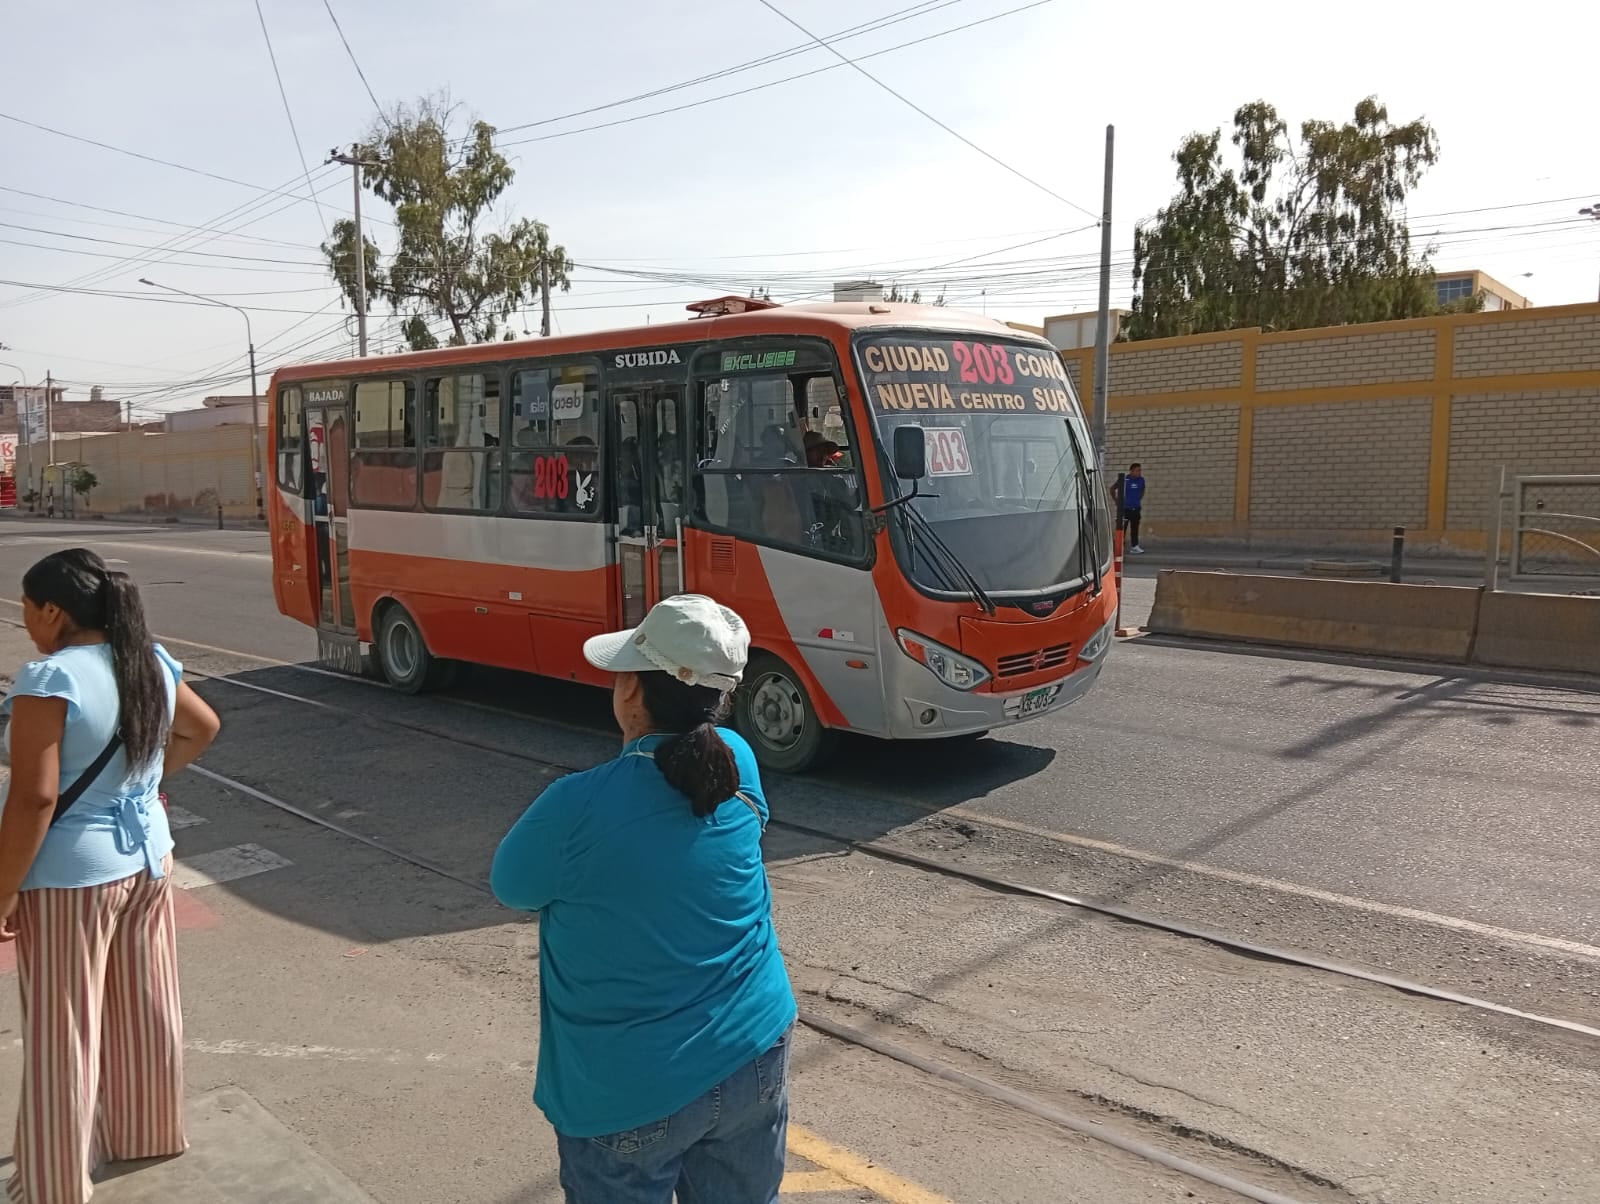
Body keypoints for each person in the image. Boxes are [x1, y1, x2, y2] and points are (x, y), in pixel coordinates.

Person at [491, 594, 796, 1204]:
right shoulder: (735, 760)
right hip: (754, 1053)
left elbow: (512, 887)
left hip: (628, 1087)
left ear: (631, 690)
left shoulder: (574, 806)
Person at [0, 548, 222, 1204]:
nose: (25, 622)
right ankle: (148, 1133)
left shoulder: (49, 678)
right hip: (149, 860)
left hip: (73, 880)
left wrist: (3, 889)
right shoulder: (148, 660)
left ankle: (52, 1181)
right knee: (145, 1006)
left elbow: (35, 800)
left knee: (62, 1027)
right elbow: (202, 728)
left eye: (25, 608)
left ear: (52, 611)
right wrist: (140, 785)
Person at [1121, 462, 1146, 553]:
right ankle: (1119, 547)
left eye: (1140, 470)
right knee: (1122, 528)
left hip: (1136, 508)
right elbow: (1113, 489)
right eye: (1137, 470)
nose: (1139, 472)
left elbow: (1143, 489)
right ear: (1131, 471)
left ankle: (1134, 546)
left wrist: (1138, 498)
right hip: (1126, 509)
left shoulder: (1141, 480)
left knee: (1135, 528)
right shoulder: (1125, 479)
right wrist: (1117, 501)